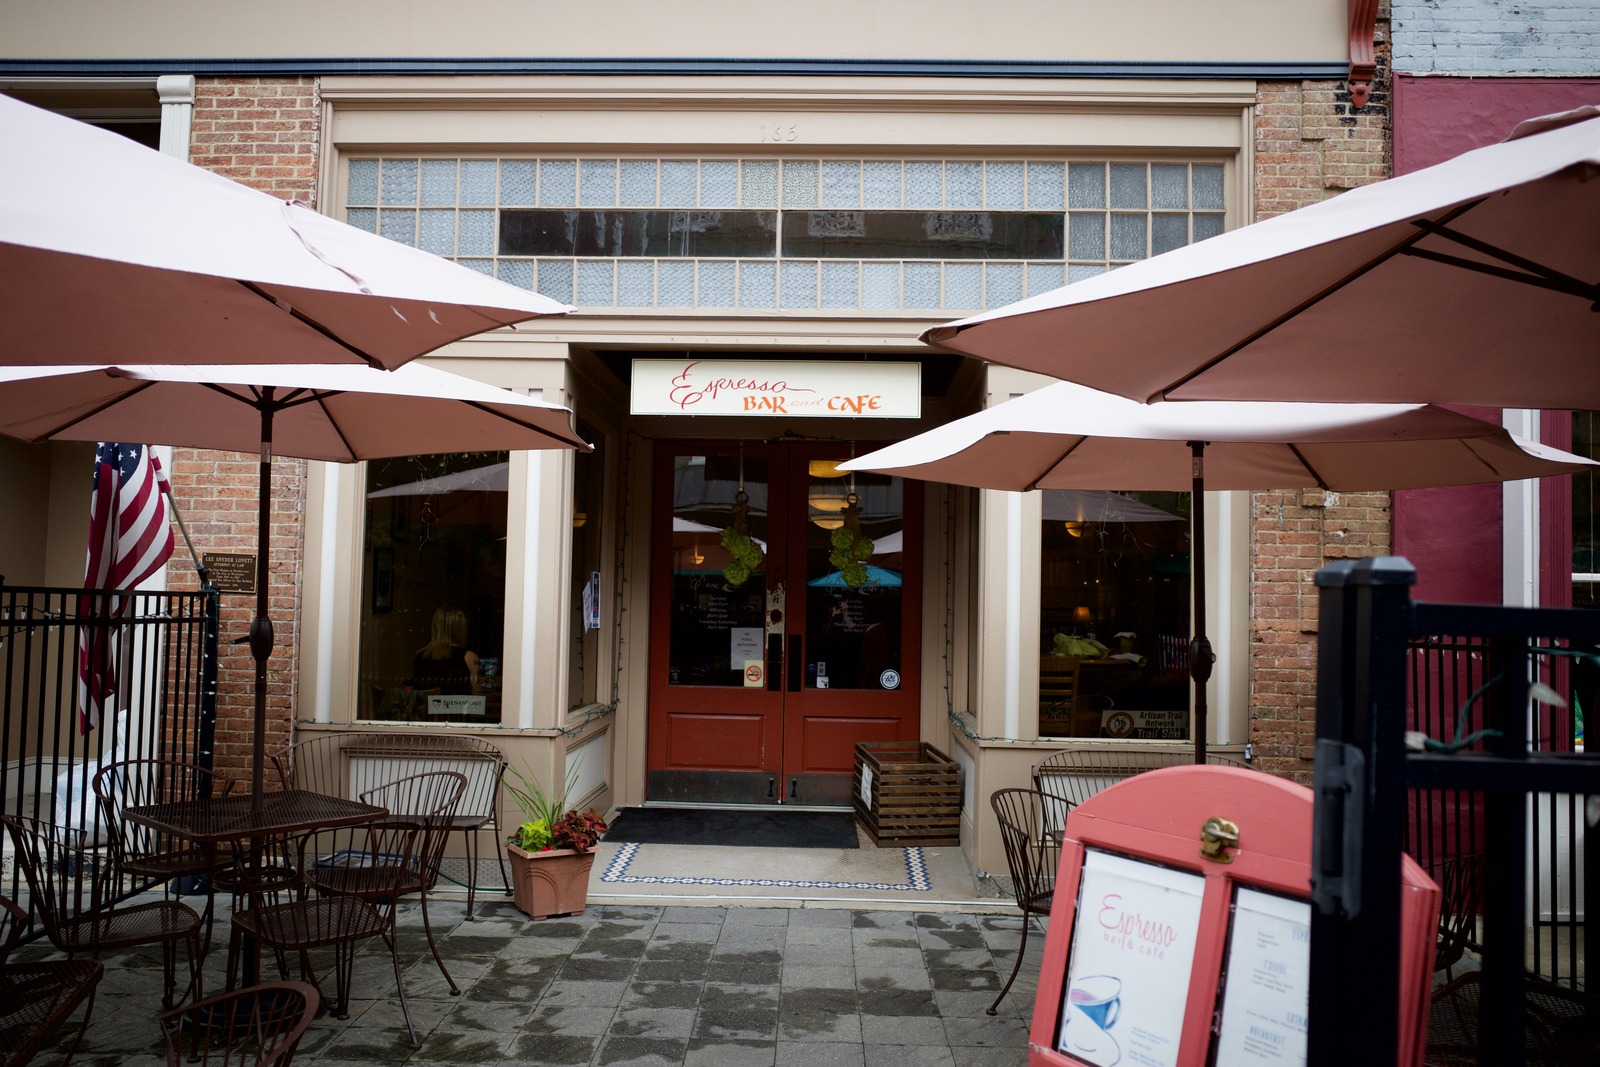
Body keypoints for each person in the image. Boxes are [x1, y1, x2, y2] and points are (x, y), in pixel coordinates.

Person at [412, 606, 479, 695]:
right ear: (461, 628)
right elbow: (478, 695)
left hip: (428, 708)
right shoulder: (469, 657)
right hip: (460, 708)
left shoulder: (420, 656)